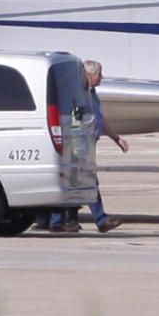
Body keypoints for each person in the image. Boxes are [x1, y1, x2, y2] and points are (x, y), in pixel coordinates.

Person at [49, 59, 128, 233]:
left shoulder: (90, 93)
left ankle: (59, 221)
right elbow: (76, 121)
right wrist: (79, 148)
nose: (102, 77)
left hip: (87, 143)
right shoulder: (77, 95)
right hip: (78, 144)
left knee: (74, 183)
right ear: (90, 75)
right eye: (100, 74)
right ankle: (100, 220)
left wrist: (116, 138)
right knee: (86, 181)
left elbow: (100, 118)